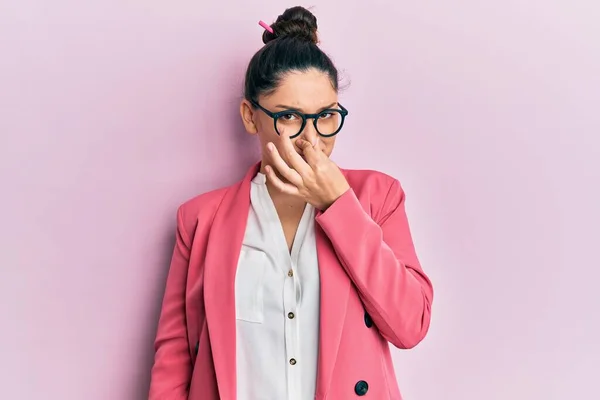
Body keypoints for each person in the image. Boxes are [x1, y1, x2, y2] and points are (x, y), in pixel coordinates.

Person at [149, 6, 433, 400]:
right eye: (289, 117)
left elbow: (410, 325)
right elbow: (175, 361)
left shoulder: (377, 198)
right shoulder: (200, 220)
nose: (311, 139)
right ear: (251, 116)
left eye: (326, 116)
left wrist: (338, 203)